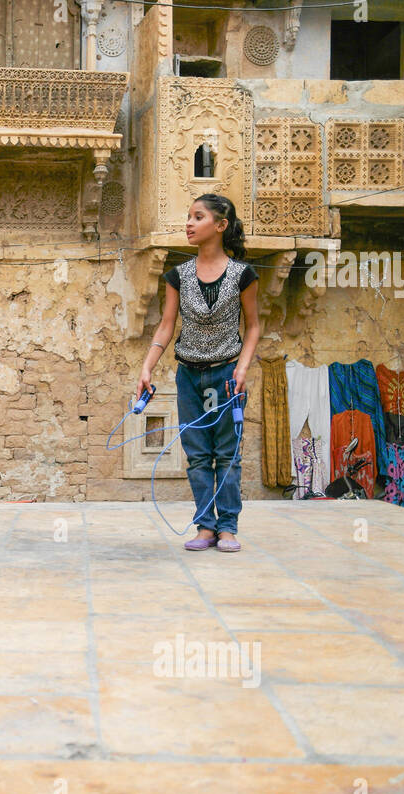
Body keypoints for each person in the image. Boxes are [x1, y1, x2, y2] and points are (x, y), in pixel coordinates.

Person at [137, 193, 261, 553]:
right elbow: (166, 325)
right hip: (189, 375)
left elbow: (252, 327)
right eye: (188, 216)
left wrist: (242, 368)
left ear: (220, 226)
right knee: (196, 454)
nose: (189, 223)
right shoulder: (179, 275)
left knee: (227, 454)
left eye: (198, 217)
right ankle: (205, 526)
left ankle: (228, 528)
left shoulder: (243, 275)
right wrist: (147, 365)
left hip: (226, 374)